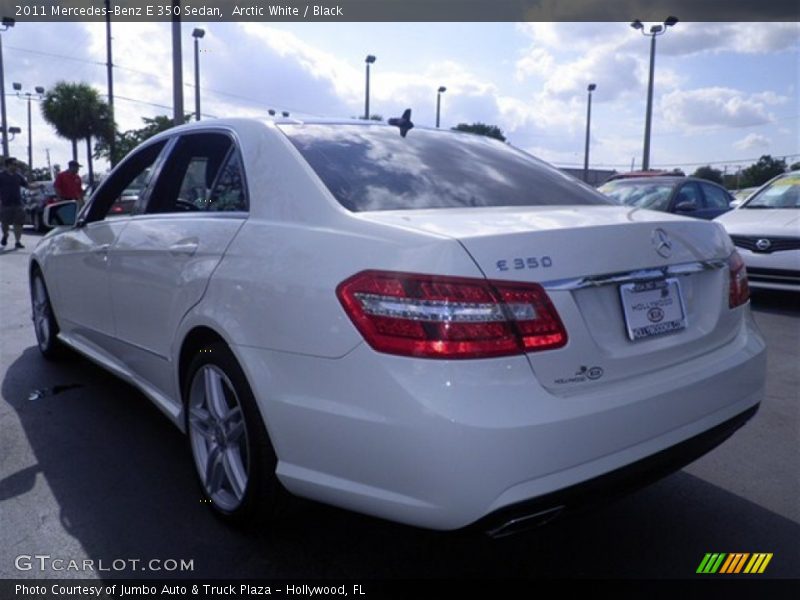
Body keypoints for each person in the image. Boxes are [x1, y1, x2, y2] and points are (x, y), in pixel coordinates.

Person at [0, 158, 31, 249]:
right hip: (5, 203)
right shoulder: (1, 176)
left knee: (18, 223)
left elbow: (27, 186)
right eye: (14, 164)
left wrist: (38, 186)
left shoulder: (18, 176)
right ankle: (5, 235)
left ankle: (17, 241)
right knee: (5, 223)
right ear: (8, 165)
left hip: (18, 203)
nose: (16, 166)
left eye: (16, 164)